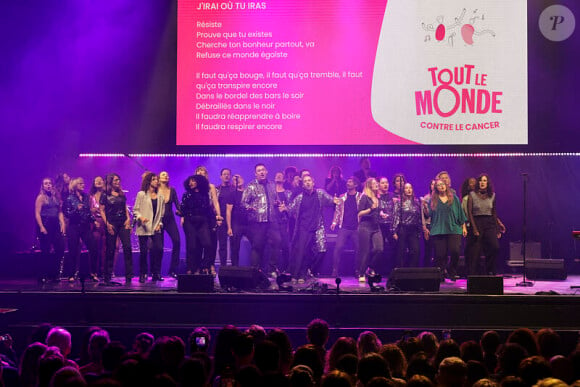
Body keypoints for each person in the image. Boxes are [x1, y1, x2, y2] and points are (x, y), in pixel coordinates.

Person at [284, 175, 338, 282]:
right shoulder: (300, 198)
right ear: (303, 185)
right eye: (305, 181)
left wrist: (335, 201)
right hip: (304, 228)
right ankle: (299, 274)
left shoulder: (320, 194)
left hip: (317, 227)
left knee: (322, 250)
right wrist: (284, 208)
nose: (307, 183)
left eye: (309, 180)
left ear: (313, 182)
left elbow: (332, 201)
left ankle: (309, 269)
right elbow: (290, 210)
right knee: (302, 252)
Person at [241, 163, 281, 275]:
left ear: (266, 171)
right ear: (255, 174)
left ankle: (272, 268)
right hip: (257, 221)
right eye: (259, 171)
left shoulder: (272, 185)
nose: (261, 172)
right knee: (257, 246)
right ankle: (255, 270)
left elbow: (276, 199)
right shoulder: (251, 186)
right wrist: (250, 208)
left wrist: (277, 203)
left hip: (272, 220)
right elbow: (243, 202)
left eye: (263, 170)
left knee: (277, 242)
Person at [428, 178, 467, 281]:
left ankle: (452, 270)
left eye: (443, 184)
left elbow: (460, 213)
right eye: (439, 185)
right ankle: (441, 273)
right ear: (435, 187)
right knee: (440, 254)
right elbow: (429, 215)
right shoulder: (433, 200)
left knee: (455, 251)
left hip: (453, 229)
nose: (441, 186)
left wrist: (463, 227)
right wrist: (424, 208)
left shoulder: (454, 198)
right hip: (439, 230)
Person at [467, 174, 506, 275]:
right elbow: (470, 213)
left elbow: (493, 212)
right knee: (476, 252)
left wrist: (498, 227)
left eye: (484, 181)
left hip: (489, 223)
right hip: (477, 222)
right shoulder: (472, 195)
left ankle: (489, 270)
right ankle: (473, 275)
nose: (482, 182)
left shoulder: (492, 195)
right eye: (480, 181)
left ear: (487, 183)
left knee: (495, 247)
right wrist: (474, 228)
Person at [99, 173, 133, 284]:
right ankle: (107, 275)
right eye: (116, 180)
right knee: (111, 249)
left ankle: (129, 276)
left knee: (127, 247)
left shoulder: (121, 194)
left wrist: (128, 219)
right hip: (112, 223)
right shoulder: (105, 195)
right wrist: (107, 224)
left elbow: (125, 207)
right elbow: (102, 210)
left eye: (119, 180)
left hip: (123, 222)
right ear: (110, 182)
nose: (118, 182)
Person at [63, 177, 99, 282]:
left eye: (83, 183)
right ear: (75, 186)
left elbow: (88, 212)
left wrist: (94, 220)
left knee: (93, 248)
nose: (83, 185)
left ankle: (93, 273)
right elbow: (67, 214)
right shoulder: (69, 198)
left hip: (85, 226)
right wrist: (76, 210)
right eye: (80, 183)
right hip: (74, 227)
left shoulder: (86, 197)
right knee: (73, 250)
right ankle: (71, 274)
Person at [133, 172, 165, 283]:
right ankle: (143, 273)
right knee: (143, 251)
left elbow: (161, 213)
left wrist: (159, 224)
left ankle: (156, 273)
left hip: (155, 227)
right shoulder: (141, 194)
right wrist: (141, 218)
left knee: (159, 249)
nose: (157, 181)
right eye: (154, 179)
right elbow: (136, 210)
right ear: (149, 181)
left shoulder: (160, 196)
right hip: (144, 227)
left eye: (157, 179)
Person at [180, 175, 213, 274]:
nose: (191, 183)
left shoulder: (205, 195)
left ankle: (205, 266)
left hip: (202, 221)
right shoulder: (186, 195)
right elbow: (183, 209)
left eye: (193, 181)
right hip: (190, 221)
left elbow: (207, 209)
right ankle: (191, 268)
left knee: (207, 244)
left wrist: (215, 218)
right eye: (189, 181)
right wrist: (181, 214)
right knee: (192, 246)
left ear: (199, 182)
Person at [34, 177, 65, 282]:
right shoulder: (41, 197)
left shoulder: (56, 197)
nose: (48, 185)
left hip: (56, 225)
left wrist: (63, 223)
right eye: (46, 183)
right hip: (45, 224)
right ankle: (43, 275)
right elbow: (37, 213)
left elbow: (60, 211)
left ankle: (55, 274)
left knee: (60, 249)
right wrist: (41, 227)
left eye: (49, 183)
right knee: (45, 251)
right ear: (43, 186)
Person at [330, 176, 361, 277]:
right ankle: (335, 270)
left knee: (359, 249)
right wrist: (334, 222)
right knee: (338, 248)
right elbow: (338, 210)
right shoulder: (342, 196)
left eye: (351, 181)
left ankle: (357, 270)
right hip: (344, 227)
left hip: (356, 228)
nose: (348, 183)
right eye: (348, 181)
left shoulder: (360, 197)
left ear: (355, 185)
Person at [195, 166, 223, 275]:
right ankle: (197, 266)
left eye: (204, 172)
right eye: (199, 172)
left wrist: (219, 216)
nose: (201, 173)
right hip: (197, 217)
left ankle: (210, 265)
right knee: (198, 243)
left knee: (211, 242)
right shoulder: (193, 187)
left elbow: (215, 202)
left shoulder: (210, 187)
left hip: (209, 217)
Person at [357, 178, 383, 282]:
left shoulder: (378, 198)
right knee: (365, 251)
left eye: (377, 183)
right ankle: (361, 273)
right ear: (369, 185)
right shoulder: (365, 197)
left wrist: (381, 214)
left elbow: (377, 211)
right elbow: (359, 213)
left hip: (376, 226)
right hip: (365, 226)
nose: (377, 184)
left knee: (379, 249)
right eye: (374, 183)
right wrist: (371, 209)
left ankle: (370, 267)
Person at [392, 182, 422, 268]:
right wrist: (394, 231)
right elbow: (396, 216)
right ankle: (400, 272)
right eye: (406, 188)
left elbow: (419, 217)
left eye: (410, 188)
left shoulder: (416, 202)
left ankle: (412, 271)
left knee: (415, 251)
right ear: (403, 190)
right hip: (403, 228)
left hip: (413, 229)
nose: (409, 190)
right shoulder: (399, 202)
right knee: (401, 251)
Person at [158, 171, 181, 279]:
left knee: (177, 241)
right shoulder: (155, 189)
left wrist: (182, 214)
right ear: (159, 178)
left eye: (167, 175)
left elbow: (177, 204)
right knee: (159, 246)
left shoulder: (172, 190)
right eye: (163, 175)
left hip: (170, 219)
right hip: (158, 220)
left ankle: (173, 269)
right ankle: (156, 272)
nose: (166, 176)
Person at [226, 174, 249, 267]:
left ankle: (256, 268)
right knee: (235, 247)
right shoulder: (232, 194)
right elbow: (228, 211)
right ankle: (235, 268)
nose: (238, 180)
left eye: (239, 177)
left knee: (257, 243)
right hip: (236, 223)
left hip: (248, 223)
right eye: (235, 179)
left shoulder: (248, 192)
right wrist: (229, 227)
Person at [216, 168, 235, 268]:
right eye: (224, 174)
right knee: (222, 245)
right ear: (221, 176)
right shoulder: (217, 189)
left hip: (234, 220)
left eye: (228, 174)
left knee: (234, 244)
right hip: (222, 220)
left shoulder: (234, 188)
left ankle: (234, 267)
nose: (226, 176)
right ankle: (223, 267)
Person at [89, 176, 108, 277]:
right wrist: (92, 210)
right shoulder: (91, 196)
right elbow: (87, 210)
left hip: (106, 222)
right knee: (95, 247)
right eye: (96, 180)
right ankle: (94, 271)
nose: (99, 181)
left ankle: (105, 271)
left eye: (101, 180)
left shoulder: (107, 195)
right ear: (94, 183)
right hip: (95, 222)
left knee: (106, 248)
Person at [378, 177, 396, 274]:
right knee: (380, 248)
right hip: (379, 225)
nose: (385, 184)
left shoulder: (392, 196)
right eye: (383, 183)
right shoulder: (376, 196)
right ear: (379, 184)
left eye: (387, 182)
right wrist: (379, 213)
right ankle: (379, 271)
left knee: (393, 247)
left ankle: (392, 271)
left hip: (390, 225)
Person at [274, 172, 292, 272]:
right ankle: (272, 269)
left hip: (283, 222)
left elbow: (292, 208)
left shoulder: (288, 193)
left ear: (284, 180)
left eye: (280, 176)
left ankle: (286, 269)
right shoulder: (271, 192)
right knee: (273, 246)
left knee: (285, 246)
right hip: (272, 222)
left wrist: (286, 208)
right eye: (277, 175)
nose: (278, 176)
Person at [421, 179, 436, 267]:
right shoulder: (426, 198)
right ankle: (426, 269)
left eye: (435, 184)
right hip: (429, 225)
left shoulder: (440, 198)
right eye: (432, 184)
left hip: (437, 225)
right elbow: (423, 215)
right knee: (428, 249)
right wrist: (424, 228)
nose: (433, 186)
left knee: (437, 250)